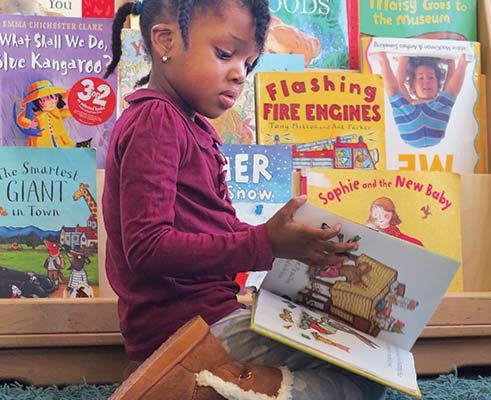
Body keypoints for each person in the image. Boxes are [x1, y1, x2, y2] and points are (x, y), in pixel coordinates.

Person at [102, 1, 387, 399]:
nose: (239, 73)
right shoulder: (157, 121)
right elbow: (147, 248)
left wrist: (284, 246)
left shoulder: (189, 126)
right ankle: (197, 384)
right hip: (189, 329)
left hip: (206, 319)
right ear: (164, 39)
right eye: (224, 54)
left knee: (360, 355)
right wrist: (264, 243)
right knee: (365, 374)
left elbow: (213, 230)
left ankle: (204, 379)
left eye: (249, 62)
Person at [372, 52, 469, 148]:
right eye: (421, 78)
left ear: (438, 86)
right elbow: (400, 84)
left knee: (395, 94)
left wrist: (403, 61)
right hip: (431, 132)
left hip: (411, 134)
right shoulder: (430, 104)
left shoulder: (426, 103)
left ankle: (384, 60)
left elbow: (449, 83)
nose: (426, 81)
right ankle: (462, 63)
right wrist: (451, 62)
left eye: (431, 77)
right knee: (450, 93)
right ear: (413, 87)